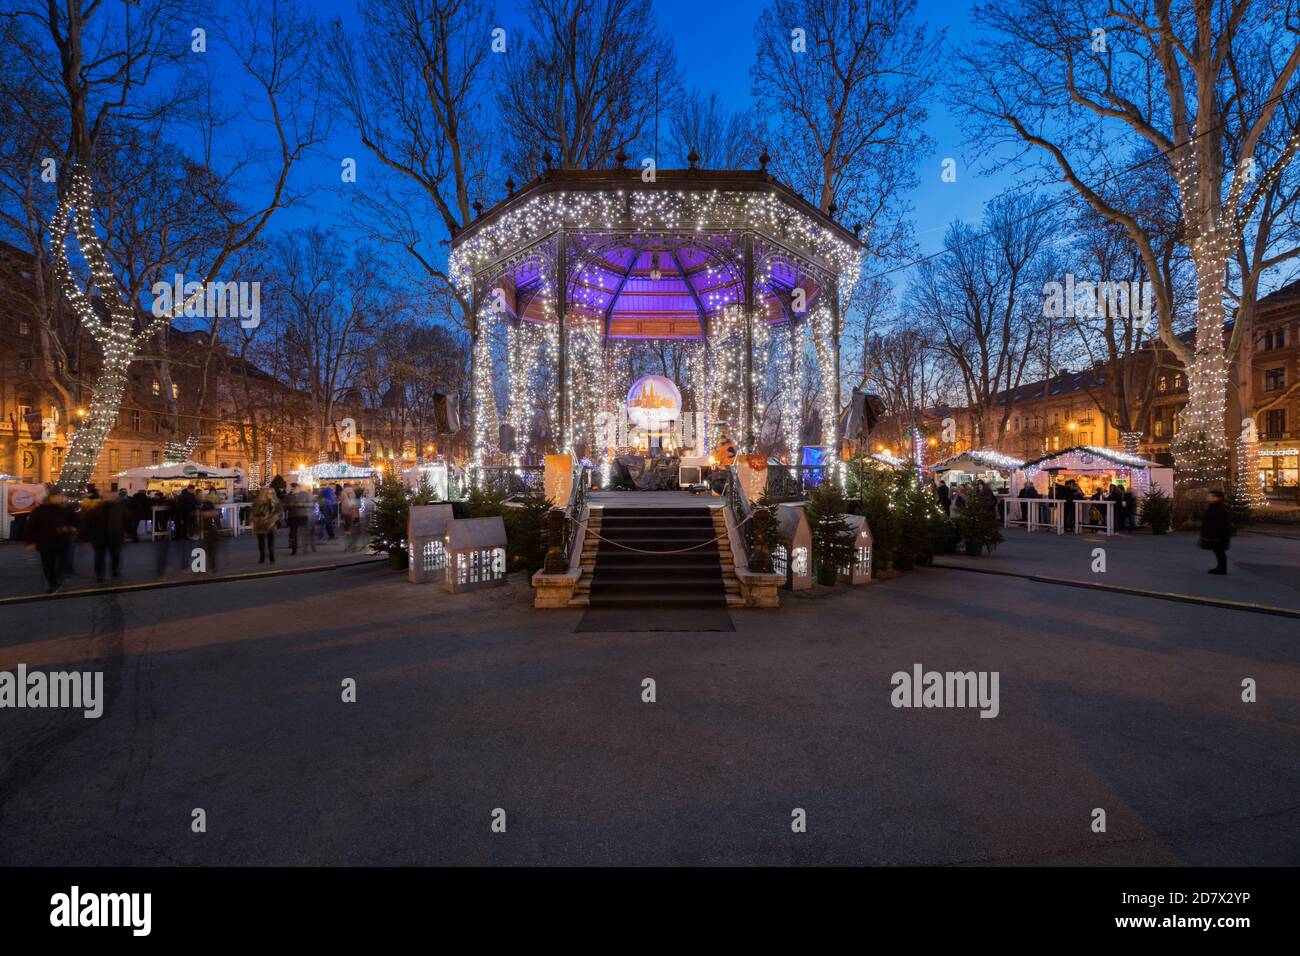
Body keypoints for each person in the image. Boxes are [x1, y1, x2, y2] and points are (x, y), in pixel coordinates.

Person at [26, 490, 75, 592]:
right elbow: (31, 526)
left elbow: (76, 523)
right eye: (57, 496)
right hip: (45, 542)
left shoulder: (67, 509)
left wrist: (69, 529)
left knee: (61, 563)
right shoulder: (40, 510)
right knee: (48, 564)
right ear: (51, 497)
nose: (60, 498)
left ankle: (57, 581)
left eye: (61, 496)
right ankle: (52, 583)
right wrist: (30, 541)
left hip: (62, 542)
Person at [84, 493, 126, 583]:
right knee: (100, 557)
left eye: (111, 497)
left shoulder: (119, 509)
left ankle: (112, 571)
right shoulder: (96, 509)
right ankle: (100, 574)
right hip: (101, 537)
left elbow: (127, 520)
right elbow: (87, 523)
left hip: (112, 537)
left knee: (114, 556)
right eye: (107, 496)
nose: (109, 498)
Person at [1199, 489, 1233, 575]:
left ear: (1217, 498)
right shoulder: (1213, 507)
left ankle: (1222, 568)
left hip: (1219, 536)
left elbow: (1221, 524)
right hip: (1215, 535)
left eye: (1210, 496)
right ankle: (1220, 567)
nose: (1208, 497)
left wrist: (1217, 535)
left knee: (1219, 551)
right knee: (1218, 551)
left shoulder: (1220, 509)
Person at [251, 487, 282, 563]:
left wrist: (273, 520)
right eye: (268, 493)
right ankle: (262, 556)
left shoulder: (275, 502)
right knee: (261, 542)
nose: (269, 494)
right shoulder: (258, 502)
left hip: (271, 524)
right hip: (260, 524)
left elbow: (278, 512)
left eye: (271, 493)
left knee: (271, 541)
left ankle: (271, 556)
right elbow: (253, 513)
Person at [287, 482, 315, 555]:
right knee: (293, 533)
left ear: (298, 487)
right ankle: (294, 549)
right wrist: (290, 505)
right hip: (293, 516)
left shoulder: (305, 494)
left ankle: (305, 548)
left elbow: (312, 504)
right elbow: (285, 505)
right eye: (292, 488)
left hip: (303, 515)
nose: (293, 489)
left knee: (305, 532)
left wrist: (302, 504)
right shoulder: (289, 496)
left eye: (294, 487)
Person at [340, 485, 360, 551]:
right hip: (355, 514)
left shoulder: (343, 492)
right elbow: (358, 505)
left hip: (347, 514)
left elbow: (343, 502)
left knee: (347, 530)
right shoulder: (354, 491)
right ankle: (354, 546)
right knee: (355, 529)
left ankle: (347, 545)